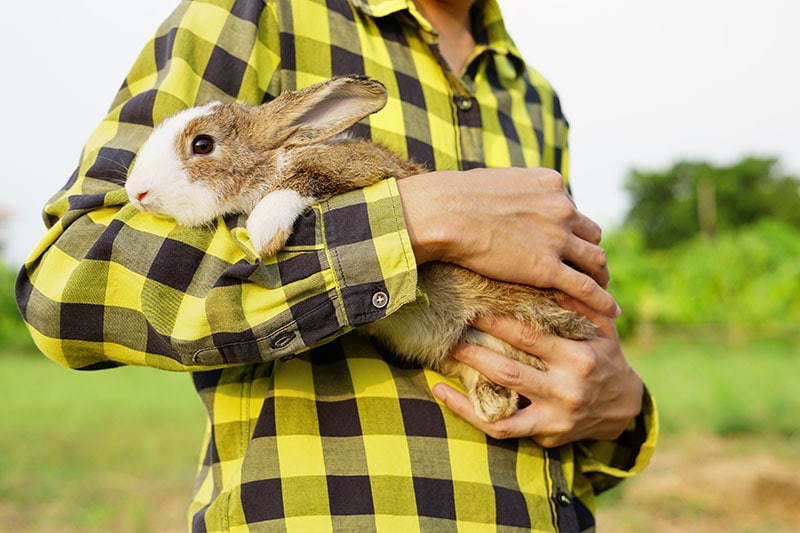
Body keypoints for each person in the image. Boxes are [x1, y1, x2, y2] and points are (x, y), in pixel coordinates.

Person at [16, 0, 657, 531]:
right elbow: (71, 280)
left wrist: (621, 408)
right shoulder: (255, 12)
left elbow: (571, 304)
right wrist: (425, 218)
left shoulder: (533, 95)